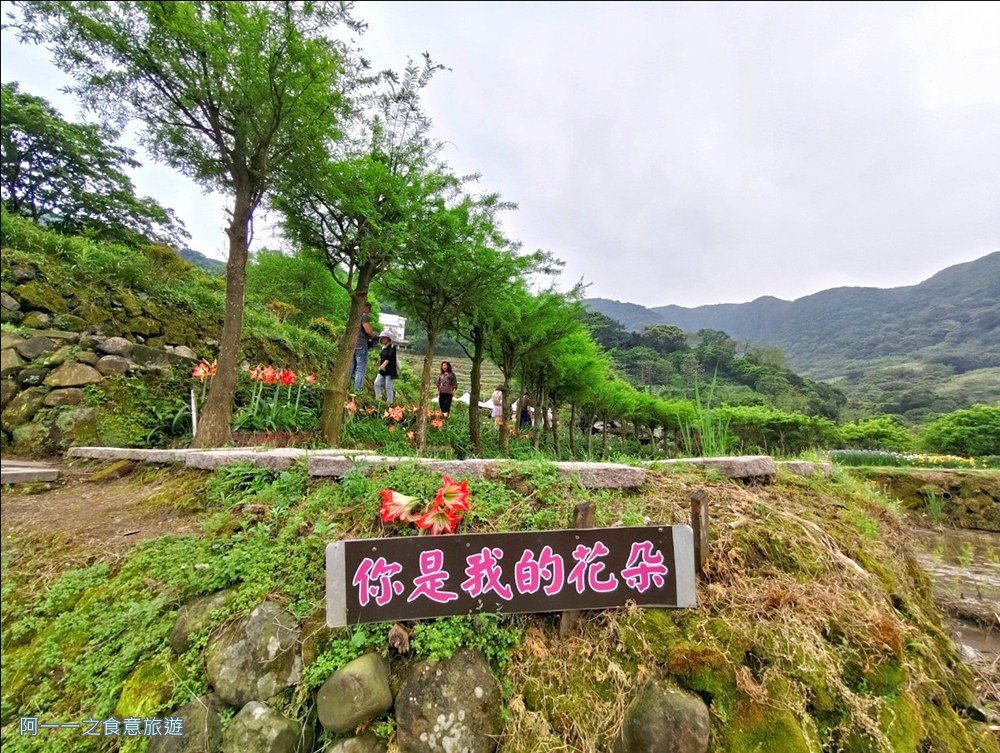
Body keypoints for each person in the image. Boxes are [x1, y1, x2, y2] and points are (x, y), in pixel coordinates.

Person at [351, 301, 376, 392]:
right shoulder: (364, 316)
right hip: (361, 345)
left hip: (352, 345)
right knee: (360, 369)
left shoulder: (354, 315)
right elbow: (368, 331)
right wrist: (374, 335)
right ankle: (357, 390)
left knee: (352, 368)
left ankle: (349, 387)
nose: (369, 311)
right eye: (369, 309)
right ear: (365, 307)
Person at [373, 331, 398, 404]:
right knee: (376, 383)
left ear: (388, 339)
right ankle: (378, 399)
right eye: (381, 338)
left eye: (384, 338)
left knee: (388, 386)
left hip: (389, 370)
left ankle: (389, 402)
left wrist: (383, 365)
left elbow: (389, 357)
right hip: (382, 370)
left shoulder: (392, 347)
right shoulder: (383, 347)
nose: (382, 340)